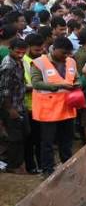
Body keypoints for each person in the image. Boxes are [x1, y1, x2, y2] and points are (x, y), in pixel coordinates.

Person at [31, 37, 78, 176]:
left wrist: (78, 83)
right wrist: (58, 86)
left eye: (68, 53)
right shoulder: (39, 63)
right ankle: (47, 170)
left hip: (67, 108)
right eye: (64, 53)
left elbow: (76, 77)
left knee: (67, 141)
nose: (66, 56)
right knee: (48, 143)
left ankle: (68, 166)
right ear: (54, 49)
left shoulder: (71, 61)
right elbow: (36, 83)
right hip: (48, 110)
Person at [0, 38, 28, 173]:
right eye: (18, 52)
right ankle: (13, 166)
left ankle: (18, 163)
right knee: (14, 137)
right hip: (11, 107)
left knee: (22, 134)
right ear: (10, 49)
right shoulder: (8, 66)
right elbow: (5, 90)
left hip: (20, 104)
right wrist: (10, 109)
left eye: (23, 52)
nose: (21, 55)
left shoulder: (18, 61)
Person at [22, 33, 44, 173]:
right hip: (27, 105)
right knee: (29, 139)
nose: (40, 53)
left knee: (40, 138)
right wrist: (39, 86)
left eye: (41, 49)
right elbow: (21, 86)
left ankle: (41, 165)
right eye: (37, 50)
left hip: (40, 105)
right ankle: (31, 166)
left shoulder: (40, 60)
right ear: (28, 48)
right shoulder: (22, 61)